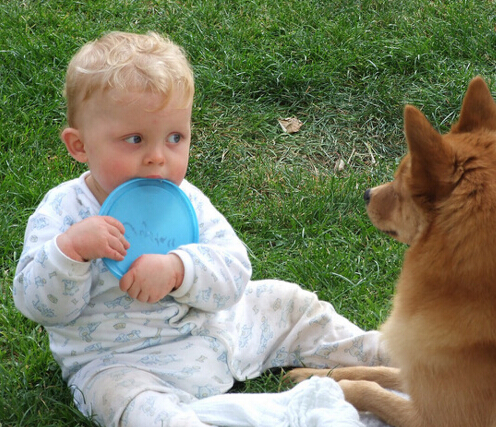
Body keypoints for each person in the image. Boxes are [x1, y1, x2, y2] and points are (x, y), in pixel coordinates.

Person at [12, 31, 385, 427]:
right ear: (80, 145)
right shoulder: (64, 211)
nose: (158, 157)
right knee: (120, 399)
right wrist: (70, 253)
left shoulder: (185, 200)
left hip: (219, 331)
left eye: (175, 137)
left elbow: (234, 272)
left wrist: (180, 268)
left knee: (287, 302)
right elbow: (40, 307)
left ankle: (385, 355)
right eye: (135, 139)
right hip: (124, 363)